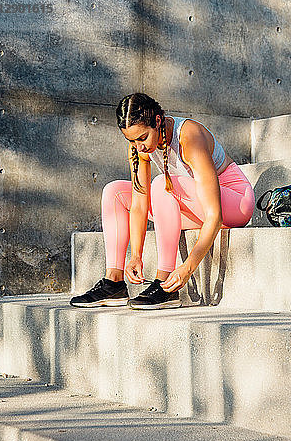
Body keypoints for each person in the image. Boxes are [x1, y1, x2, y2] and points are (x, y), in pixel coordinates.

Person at [70, 93, 255, 310]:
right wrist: (136, 256)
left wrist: (187, 268)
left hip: (235, 202)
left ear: (157, 121)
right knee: (115, 192)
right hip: (193, 206)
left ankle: (165, 285)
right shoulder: (141, 148)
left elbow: (214, 215)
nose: (139, 147)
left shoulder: (189, 136)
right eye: (131, 140)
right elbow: (139, 203)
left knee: (161, 185)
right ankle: (114, 282)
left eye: (142, 138)